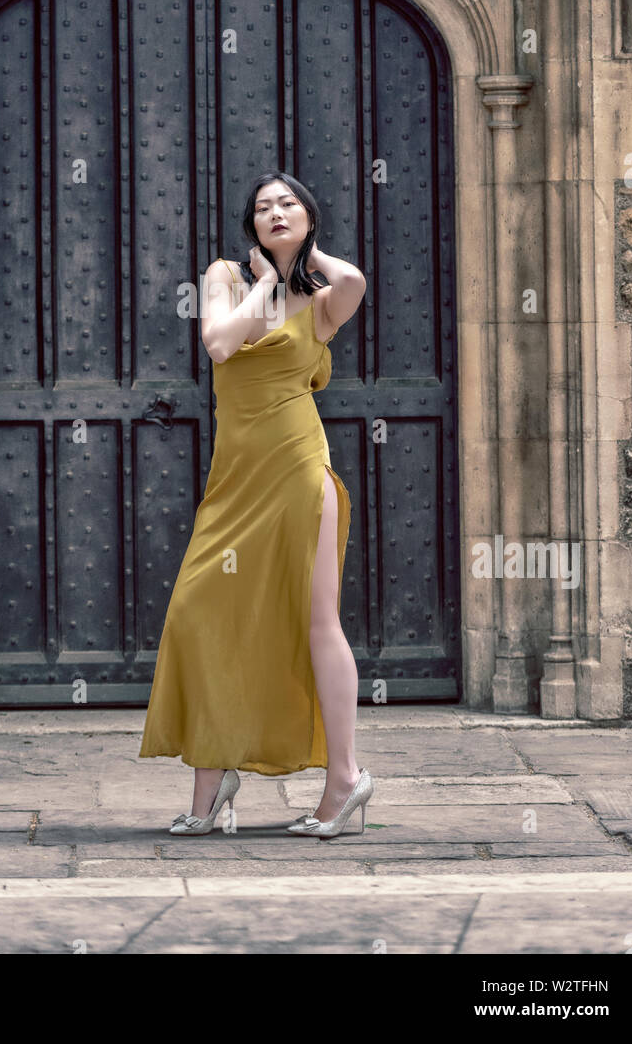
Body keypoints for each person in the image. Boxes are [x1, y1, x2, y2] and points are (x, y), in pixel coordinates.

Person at [138, 171, 372, 838]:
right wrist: (268, 280)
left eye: (288, 204)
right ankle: (215, 777)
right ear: (251, 225)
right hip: (236, 480)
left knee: (318, 621)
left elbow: (353, 284)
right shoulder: (226, 280)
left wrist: (308, 259)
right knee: (198, 611)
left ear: (307, 216)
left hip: (301, 470)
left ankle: (345, 780)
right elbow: (219, 343)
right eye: (264, 206)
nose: (275, 212)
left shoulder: (324, 300)